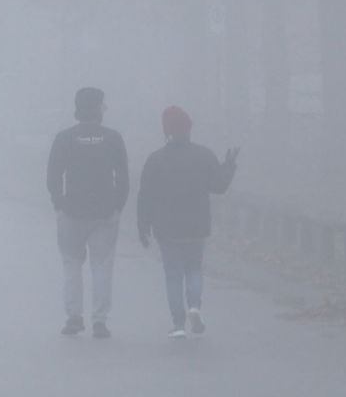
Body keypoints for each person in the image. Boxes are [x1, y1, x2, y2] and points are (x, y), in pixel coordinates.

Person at [137, 106, 238, 338]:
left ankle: (178, 324)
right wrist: (229, 166)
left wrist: (143, 227)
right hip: (196, 226)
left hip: (166, 228)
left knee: (173, 274)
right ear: (189, 129)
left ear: (167, 131)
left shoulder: (155, 159)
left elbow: (145, 197)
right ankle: (195, 306)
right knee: (194, 268)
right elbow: (219, 186)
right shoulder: (204, 155)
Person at [47, 87, 129, 338]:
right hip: (105, 213)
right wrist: (117, 205)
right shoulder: (113, 138)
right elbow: (123, 177)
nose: (106, 107)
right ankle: (100, 321)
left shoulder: (64, 138)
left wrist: (60, 204)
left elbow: (53, 176)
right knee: (102, 266)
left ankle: (74, 317)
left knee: (72, 264)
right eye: (104, 103)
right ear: (97, 107)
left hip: (72, 211)